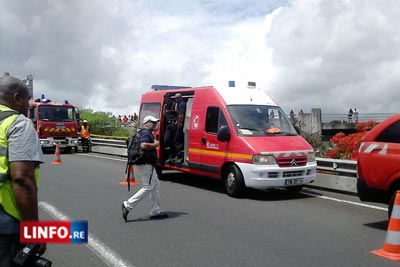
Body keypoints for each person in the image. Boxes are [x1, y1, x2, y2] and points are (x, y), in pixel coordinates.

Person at [0, 75, 46, 266]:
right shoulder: (18, 123)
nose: (29, 107)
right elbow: (22, 180)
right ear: (17, 98)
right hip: (6, 221)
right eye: (28, 101)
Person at [121, 115, 168, 221]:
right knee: (148, 187)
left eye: (156, 122)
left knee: (155, 186)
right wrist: (156, 144)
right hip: (146, 165)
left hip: (147, 165)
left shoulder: (143, 132)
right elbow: (143, 146)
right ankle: (128, 205)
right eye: (153, 122)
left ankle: (155, 211)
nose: (155, 124)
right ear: (146, 123)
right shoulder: (146, 133)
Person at [163, 94, 178, 163]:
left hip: (174, 124)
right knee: (166, 141)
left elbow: (179, 114)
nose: (166, 100)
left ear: (169, 98)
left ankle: (175, 156)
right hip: (168, 125)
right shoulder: (165, 106)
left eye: (166, 98)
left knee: (175, 141)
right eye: (165, 99)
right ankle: (170, 156)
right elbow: (164, 115)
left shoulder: (174, 104)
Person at [173, 93, 186, 161]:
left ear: (181, 98)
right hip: (181, 124)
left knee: (177, 140)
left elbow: (181, 115)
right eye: (175, 98)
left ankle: (179, 156)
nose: (176, 99)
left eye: (177, 98)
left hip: (181, 126)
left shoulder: (182, 104)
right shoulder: (179, 104)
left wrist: (179, 124)